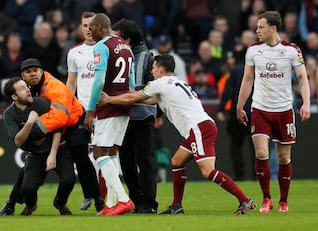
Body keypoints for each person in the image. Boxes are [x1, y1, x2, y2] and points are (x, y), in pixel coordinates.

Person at [99, 54, 256, 215]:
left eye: (153, 68)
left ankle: (244, 200)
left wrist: (109, 99)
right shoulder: (177, 81)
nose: (152, 71)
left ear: (161, 69)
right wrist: (129, 97)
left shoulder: (158, 83)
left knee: (207, 171)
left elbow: (134, 97)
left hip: (198, 128)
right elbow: (151, 101)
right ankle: (176, 205)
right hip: (202, 126)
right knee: (177, 161)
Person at [236, 11, 311, 213]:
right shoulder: (253, 51)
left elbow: (303, 78)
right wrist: (240, 105)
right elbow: (248, 79)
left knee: (283, 158)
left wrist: (306, 103)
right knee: (261, 152)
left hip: (284, 110)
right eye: (257, 27)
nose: (257, 30)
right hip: (260, 108)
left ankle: (283, 200)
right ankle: (266, 198)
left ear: (273, 28)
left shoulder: (292, 50)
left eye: (261, 27)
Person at [0, 58, 77, 216]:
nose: (27, 90)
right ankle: (31, 205)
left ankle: (60, 203)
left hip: (57, 149)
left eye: (26, 87)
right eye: (22, 89)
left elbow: (57, 127)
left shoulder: (41, 103)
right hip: (36, 153)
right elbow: (18, 141)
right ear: (14, 97)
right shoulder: (9, 114)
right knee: (27, 189)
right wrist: (29, 123)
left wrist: (52, 154)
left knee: (68, 180)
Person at [83, 13, 135, 216]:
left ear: (101, 28)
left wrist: (89, 111)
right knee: (112, 152)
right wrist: (127, 99)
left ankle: (123, 200)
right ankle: (111, 204)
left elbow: (98, 81)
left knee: (99, 154)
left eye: (91, 27)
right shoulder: (125, 47)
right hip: (124, 105)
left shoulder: (101, 47)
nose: (89, 31)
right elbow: (131, 83)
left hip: (108, 105)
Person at [111, 18, 158, 213]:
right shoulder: (115, 56)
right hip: (123, 115)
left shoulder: (148, 57)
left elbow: (153, 88)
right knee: (126, 160)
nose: (113, 42)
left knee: (144, 160)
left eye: (117, 38)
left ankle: (149, 203)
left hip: (143, 115)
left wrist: (128, 95)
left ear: (128, 39)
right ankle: (135, 199)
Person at [65, 11, 104, 212]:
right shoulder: (74, 53)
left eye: (91, 25)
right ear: (80, 28)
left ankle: (106, 197)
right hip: (81, 110)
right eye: (84, 26)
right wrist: (66, 106)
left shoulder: (106, 49)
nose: (88, 29)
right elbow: (71, 83)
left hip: (105, 109)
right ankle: (90, 193)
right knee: (81, 154)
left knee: (104, 154)